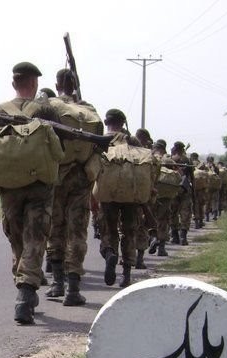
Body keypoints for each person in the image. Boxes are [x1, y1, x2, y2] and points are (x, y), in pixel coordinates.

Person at [0, 62, 57, 325]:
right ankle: (26, 292)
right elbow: (58, 146)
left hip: (9, 185)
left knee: (17, 236)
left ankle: (23, 282)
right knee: (35, 235)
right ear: (34, 83)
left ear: (14, 84)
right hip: (39, 184)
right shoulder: (45, 109)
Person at [44, 68, 101, 307]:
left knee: (55, 228)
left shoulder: (48, 107)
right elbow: (99, 148)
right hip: (82, 177)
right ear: (76, 84)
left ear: (57, 85)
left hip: (56, 174)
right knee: (77, 232)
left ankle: (57, 283)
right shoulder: (90, 111)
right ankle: (73, 288)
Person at [97, 109, 142, 288]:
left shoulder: (100, 140)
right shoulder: (132, 141)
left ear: (107, 122)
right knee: (129, 231)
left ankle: (109, 253)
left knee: (108, 229)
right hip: (131, 193)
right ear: (123, 123)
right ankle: (126, 275)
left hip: (107, 193)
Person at [169, 141, 193, 245]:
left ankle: (175, 236)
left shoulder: (171, 159)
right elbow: (192, 177)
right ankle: (183, 236)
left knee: (173, 212)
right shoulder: (187, 159)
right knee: (185, 212)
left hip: (174, 188)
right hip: (185, 188)